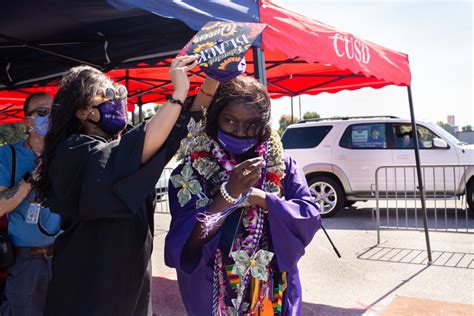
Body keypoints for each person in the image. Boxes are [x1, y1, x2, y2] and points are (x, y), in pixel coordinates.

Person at [34, 55, 218, 315]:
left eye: (119, 91)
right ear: (82, 110)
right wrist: (178, 92)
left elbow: (177, 127)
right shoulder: (74, 150)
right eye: (107, 93)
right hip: (87, 288)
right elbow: (135, 147)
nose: (117, 99)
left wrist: (213, 80)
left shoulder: (126, 146)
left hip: (131, 285)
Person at [165, 75, 321, 315]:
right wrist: (229, 194)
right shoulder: (191, 170)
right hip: (213, 290)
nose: (240, 131)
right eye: (229, 121)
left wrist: (262, 198)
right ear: (215, 117)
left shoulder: (283, 165)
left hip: (272, 291)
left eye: (251, 124)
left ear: (264, 124)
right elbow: (189, 242)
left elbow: (308, 216)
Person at [0, 92, 61, 316]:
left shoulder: (66, 152)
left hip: (63, 254)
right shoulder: (8, 155)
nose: (50, 118)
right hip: (26, 260)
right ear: (27, 120)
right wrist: (30, 180)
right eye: (42, 113)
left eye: (54, 112)